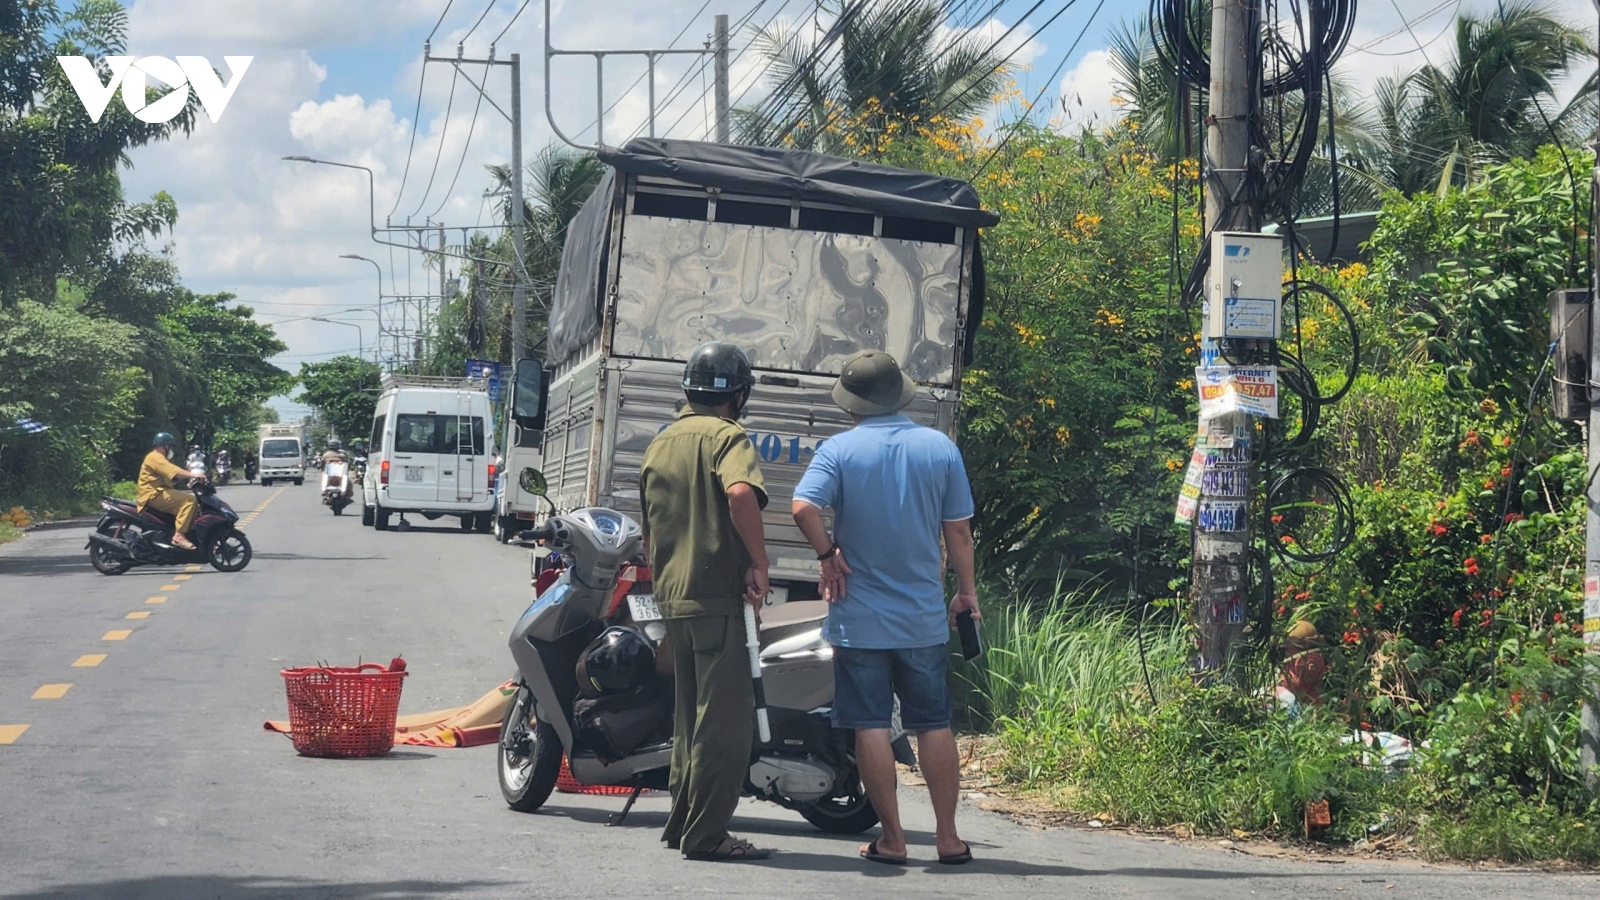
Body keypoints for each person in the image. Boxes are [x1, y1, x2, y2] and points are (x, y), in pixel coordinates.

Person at [791, 349, 979, 867]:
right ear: (900, 394)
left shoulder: (840, 449)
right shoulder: (939, 448)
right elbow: (958, 531)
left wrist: (828, 555)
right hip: (921, 618)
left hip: (859, 618)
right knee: (933, 723)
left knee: (870, 724)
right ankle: (947, 839)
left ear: (851, 403)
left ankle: (893, 839)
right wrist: (966, 592)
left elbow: (803, 505)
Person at [639, 341, 772, 863]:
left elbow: (649, 525)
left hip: (674, 595)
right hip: (717, 597)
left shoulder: (661, 441)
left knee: (688, 719)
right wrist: (759, 562)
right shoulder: (727, 436)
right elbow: (740, 494)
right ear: (736, 396)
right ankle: (708, 834)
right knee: (725, 725)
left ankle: (682, 823)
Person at [138, 432, 205, 551]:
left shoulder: (159, 459)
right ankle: (179, 535)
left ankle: (190, 535)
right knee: (189, 500)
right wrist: (194, 475)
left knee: (195, 506)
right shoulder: (155, 457)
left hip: (159, 493)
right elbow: (174, 471)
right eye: (171, 447)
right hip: (153, 495)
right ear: (165, 446)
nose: (171, 450)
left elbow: (172, 476)